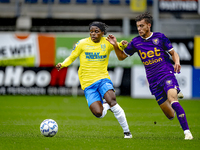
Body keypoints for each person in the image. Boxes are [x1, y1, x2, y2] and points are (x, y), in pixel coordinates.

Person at [106, 12, 193, 140]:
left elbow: (174, 53)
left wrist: (177, 62)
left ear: (149, 25)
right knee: (170, 115)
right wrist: (114, 45)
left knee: (173, 99)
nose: (139, 29)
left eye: (141, 26)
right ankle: (175, 96)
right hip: (153, 81)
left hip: (166, 73)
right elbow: (121, 57)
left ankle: (187, 132)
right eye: (138, 26)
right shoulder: (136, 42)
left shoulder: (160, 37)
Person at [56, 21, 132, 138]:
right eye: (91, 31)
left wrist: (123, 43)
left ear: (102, 33)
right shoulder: (82, 43)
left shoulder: (107, 42)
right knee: (98, 113)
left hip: (103, 79)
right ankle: (106, 105)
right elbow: (72, 57)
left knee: (113, 101)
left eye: (96, 31)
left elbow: (120, 46)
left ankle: (127, 132)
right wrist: (63, 64)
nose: (93, 34)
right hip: (88, 84)